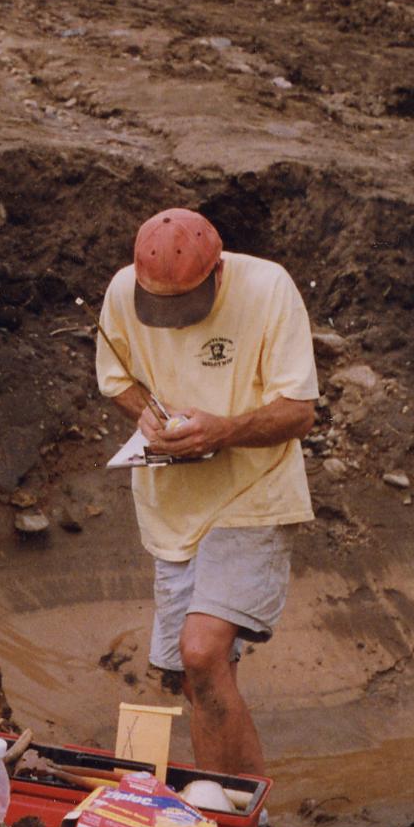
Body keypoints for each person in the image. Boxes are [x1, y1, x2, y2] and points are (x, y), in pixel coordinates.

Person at [95, 207, 318, 781]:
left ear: (217, 270)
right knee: (197, 679)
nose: (171, 319)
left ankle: (222, 809)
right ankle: (241, 809)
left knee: (200, 650)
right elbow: (117, 380)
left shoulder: (268, 289)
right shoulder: (123, 291)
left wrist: (222, 430)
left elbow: (299, 411)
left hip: (254, 492)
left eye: (185, 304)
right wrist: (149, 416)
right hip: (172, 506)